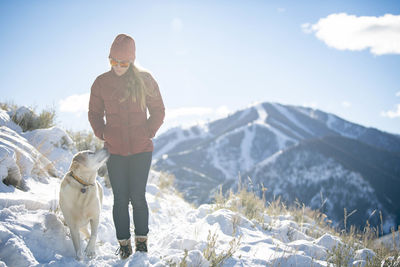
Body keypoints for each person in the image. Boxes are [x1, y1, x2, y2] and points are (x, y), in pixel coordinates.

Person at [88, 33, 165, 259]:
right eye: (113, 61)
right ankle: (124, 246)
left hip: (141, 150)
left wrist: (148, 131)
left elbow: (159, 110)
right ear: (109, 58)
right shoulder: (101, 83)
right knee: (120, 198)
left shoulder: (145, 80)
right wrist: (103, 133)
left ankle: (142, 244)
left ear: (131, 61)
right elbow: (94, 113)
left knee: (138, 197)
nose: (118, 66)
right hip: (116, 151)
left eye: (124, 62)